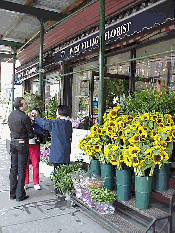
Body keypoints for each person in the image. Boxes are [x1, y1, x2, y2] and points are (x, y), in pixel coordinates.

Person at [30, 105, 72, 193]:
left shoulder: (57, 123)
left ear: (60, 112)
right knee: (64, 169)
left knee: (57, 170)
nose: (56, 113)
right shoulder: (68, 123)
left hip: (58, 150)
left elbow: (45, 123)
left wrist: (35, 119)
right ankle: (63, 188)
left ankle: (59, 189)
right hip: (66, 149)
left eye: (57, 111)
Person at [8, 97, 34, 201]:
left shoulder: (11, 115)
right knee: (22, 169)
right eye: (25, 103)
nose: (27, 104)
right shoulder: (25, 117)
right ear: (20, 105)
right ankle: (20, 194)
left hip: (13, 142)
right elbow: (30, 134)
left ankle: (12, 193)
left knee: (13, 168)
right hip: (22, 143)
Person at [25, 108, 44, 191]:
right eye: (32, 113)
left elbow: (41, 131)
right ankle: (25, 182)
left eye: (35, 113)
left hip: (35, 145)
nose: (33, 115)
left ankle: (36, 182)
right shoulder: (25, 122)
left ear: (38, 115)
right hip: (26, 145)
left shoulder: (39, 123)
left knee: (35, 164)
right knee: (25, 164)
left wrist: (34, 123)